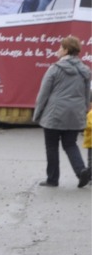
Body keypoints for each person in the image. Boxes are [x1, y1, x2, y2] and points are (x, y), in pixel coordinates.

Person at [32, 35, 91, 188]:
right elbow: (87, 95)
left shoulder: (55, 69)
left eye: (60, 48)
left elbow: (43, 93)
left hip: (54, 113)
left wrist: (37, 113)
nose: (58, 50)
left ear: (66, 50)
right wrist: (83, 112)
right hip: (74, 114)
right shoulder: (85, 71)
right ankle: (81, 171)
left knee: (51, 146)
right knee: (70, 144)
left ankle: (52, 179)